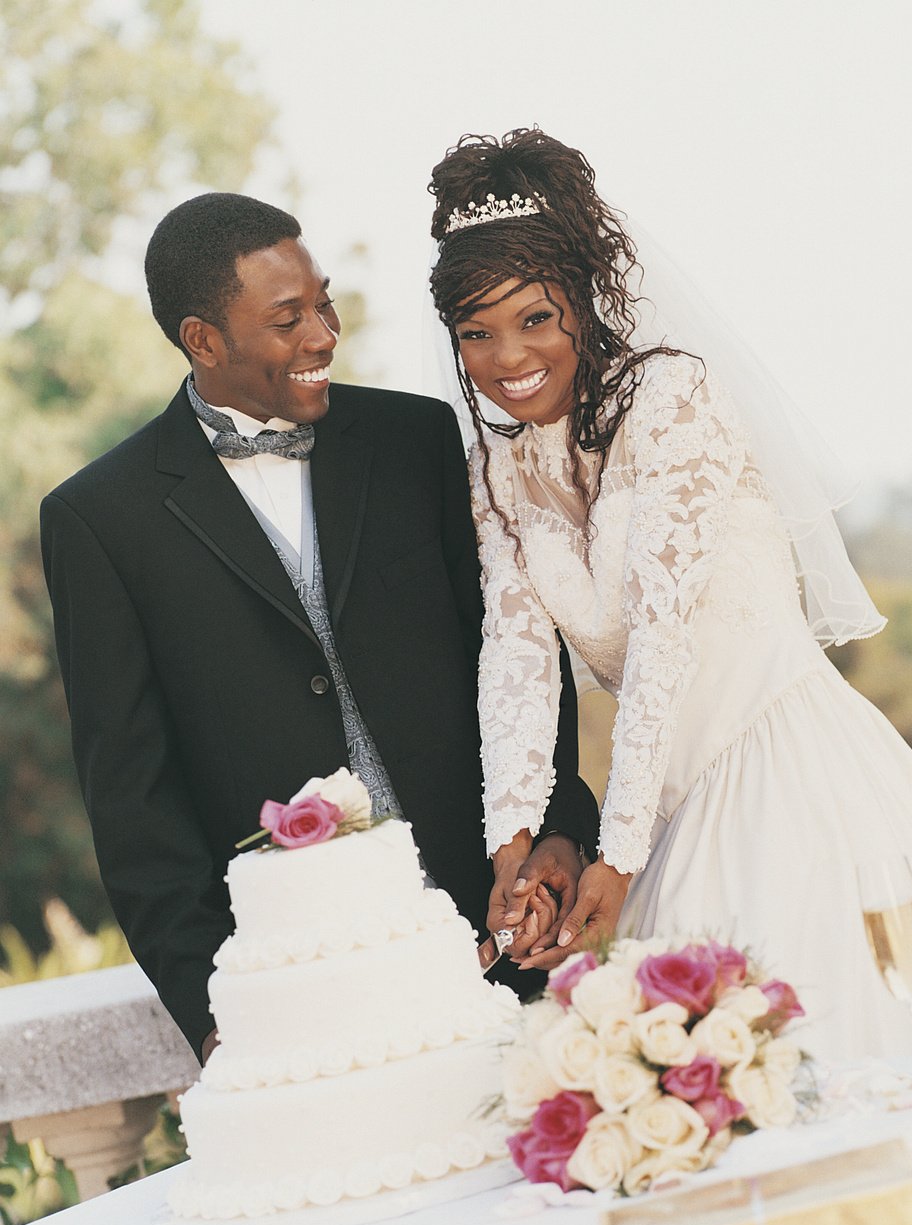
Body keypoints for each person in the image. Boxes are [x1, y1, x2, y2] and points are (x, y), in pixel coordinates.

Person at [427, 130, 912, 1063]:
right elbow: (517, 666)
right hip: (671, 807)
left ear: (581, 298)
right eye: (477, 332)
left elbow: (663, 640)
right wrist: (515, 857)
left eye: (535, 318)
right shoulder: (496, 470)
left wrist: (615, 859)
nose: (508, 355)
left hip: (791, 768)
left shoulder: (671, 397)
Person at [41, 192, 599, 1064]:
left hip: (502, 926)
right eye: (288, 318)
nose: (324, 335)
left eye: (325, 303)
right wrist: (218, 1012)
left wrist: (560, 828)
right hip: (305, 988)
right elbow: (132, 798)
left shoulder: (414, 440)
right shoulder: (100, 520)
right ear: (203, 340)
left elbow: (518, 656)